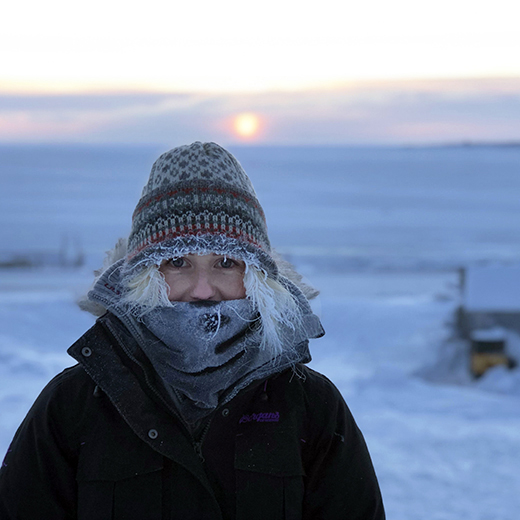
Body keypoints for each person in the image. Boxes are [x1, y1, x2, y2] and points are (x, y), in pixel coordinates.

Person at [0, 142, 385, 519]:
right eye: (179, 261)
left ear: (256, 277)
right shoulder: (73, 406)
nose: (203, 290)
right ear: (144, 276)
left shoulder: (310, 406)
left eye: (226, 262)